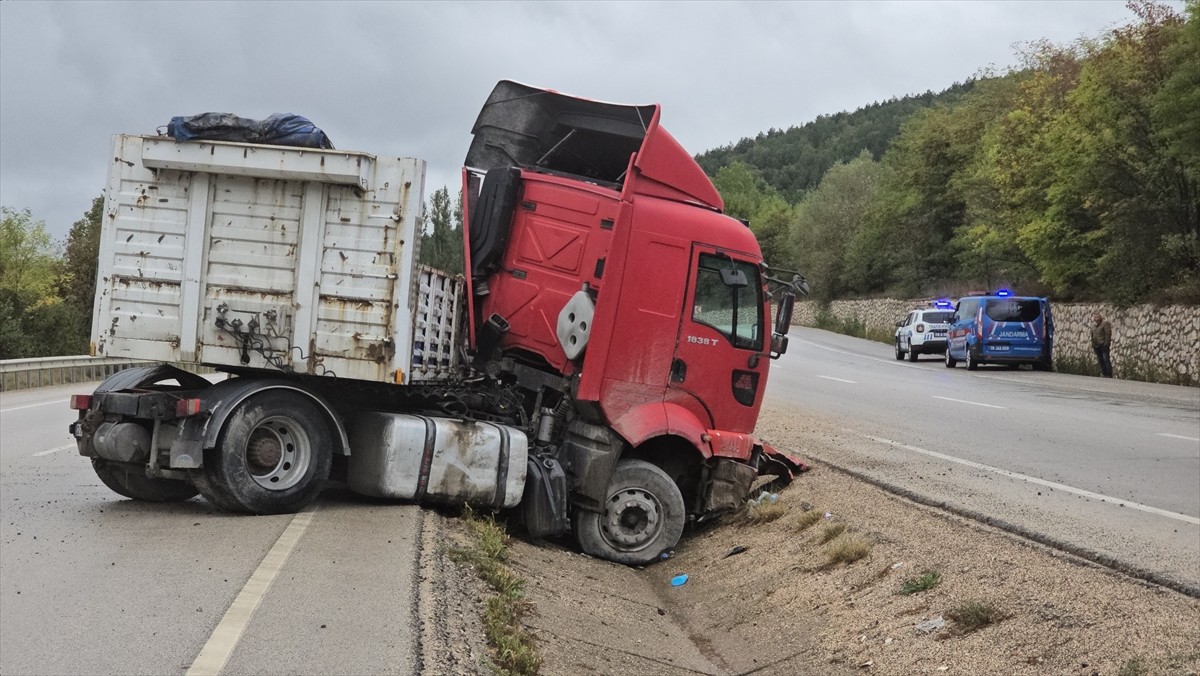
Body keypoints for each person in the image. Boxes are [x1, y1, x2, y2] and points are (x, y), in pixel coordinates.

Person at [1090, 312, 1113, 378]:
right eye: (1095, 317)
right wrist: (1092, 343)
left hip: (1103, 344)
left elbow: (1108, 334)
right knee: (1100, 360)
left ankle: (1108, 374)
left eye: (1097, 317)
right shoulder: (1093, 326)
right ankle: (1104, 373)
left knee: (1105, 359)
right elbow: (1092, 335)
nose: (1096, 319)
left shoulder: (1105, 324)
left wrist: (1106, 343)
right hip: (1096, 345)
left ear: (1100, 317)